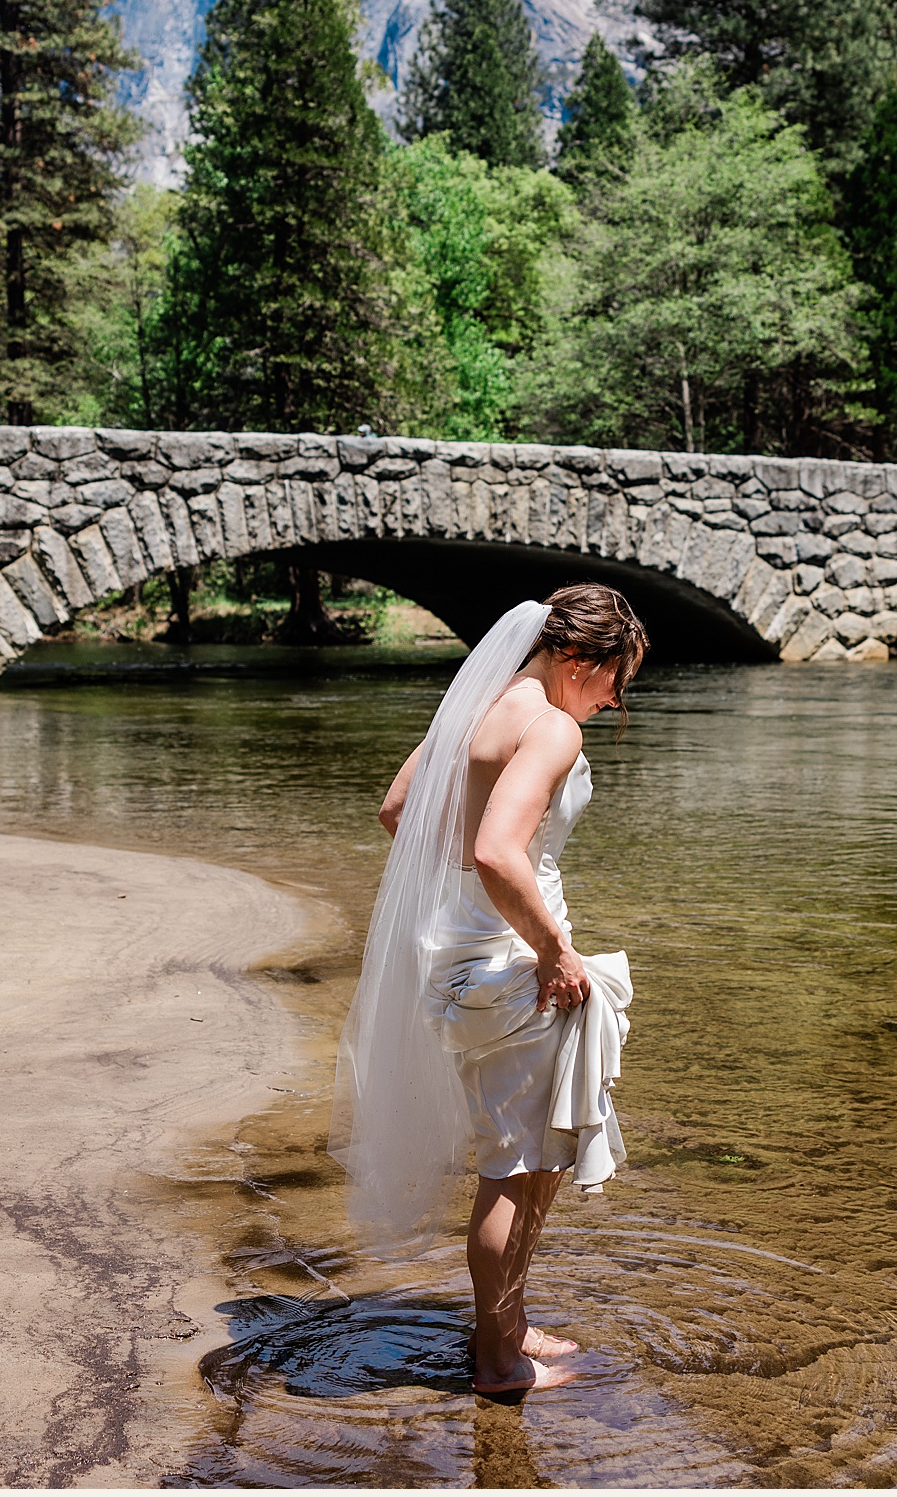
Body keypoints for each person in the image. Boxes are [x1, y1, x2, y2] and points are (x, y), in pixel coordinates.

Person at [330, 584, 648, 1397]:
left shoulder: (481, 707)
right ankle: (500, 1364)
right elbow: (502, 852)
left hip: (462, 949)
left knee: (529, 1156)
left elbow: (400, 810)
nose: (617, 697)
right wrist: (552, 951)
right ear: (579, 658)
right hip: (513, 964)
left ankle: (507, 1325)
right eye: (616, 677)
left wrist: (471, 898)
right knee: (517, 1166)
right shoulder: (551, 727)